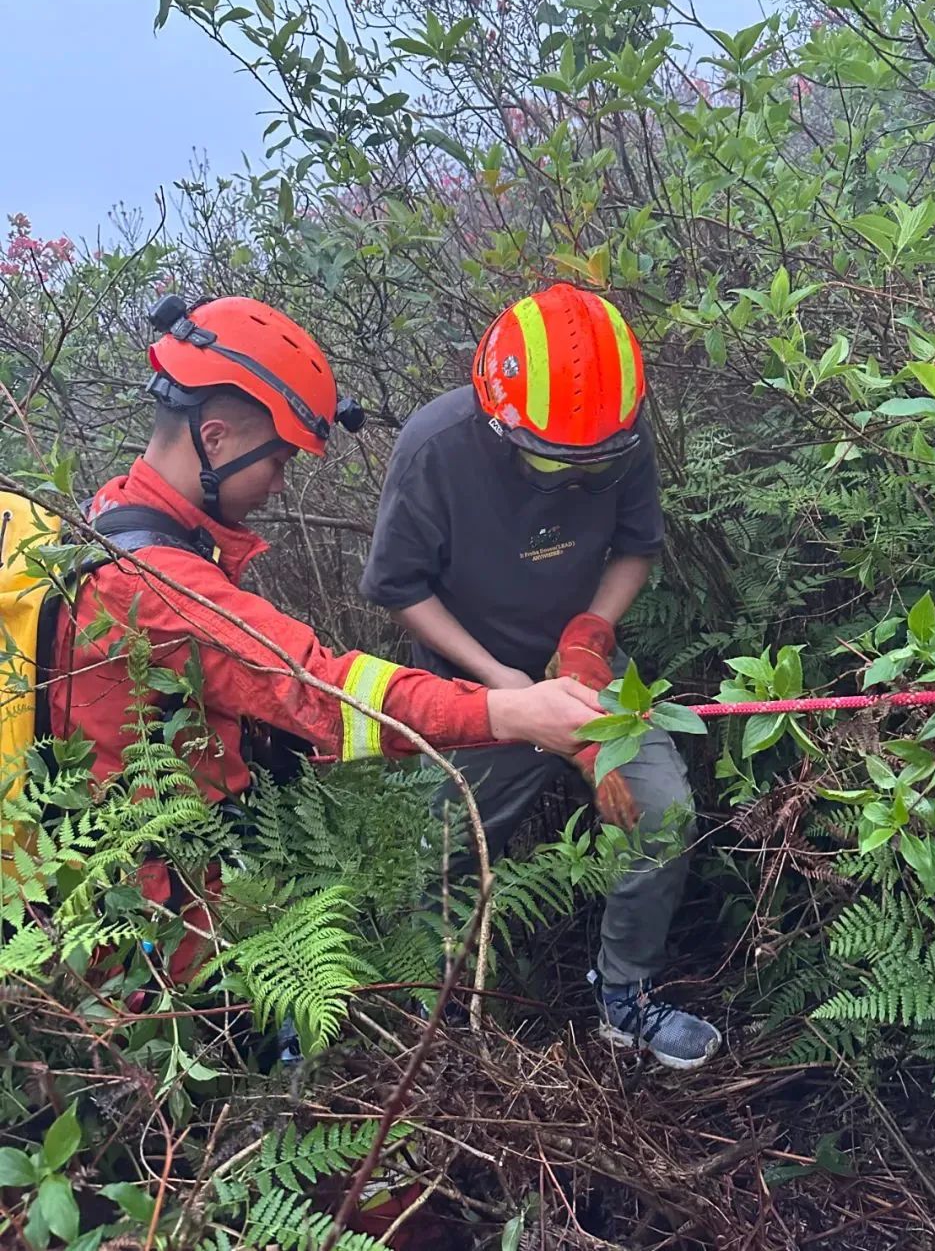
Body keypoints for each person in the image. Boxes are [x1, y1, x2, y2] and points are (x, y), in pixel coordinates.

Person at [46, 293, 602, 978]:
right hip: (145, 929)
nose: (279, 486)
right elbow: (318, 689)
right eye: (276, 460)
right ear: (214, 438)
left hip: (162, 872)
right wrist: (509, 710)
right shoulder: (156, 581)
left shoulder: (113, 513)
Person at [361, 284, 720, 1069]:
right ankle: (437, 1015)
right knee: (440, 853)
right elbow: (399, 589)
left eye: (591, 464)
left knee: (660, 815)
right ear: (500, 419)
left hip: (586, 668)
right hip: (473, 681)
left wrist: (590, 635)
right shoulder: (436, 447)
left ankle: (624, 995)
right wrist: (505, 686)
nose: (570, 479)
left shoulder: (617, 427)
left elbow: (634, 547)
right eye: (551, 460)